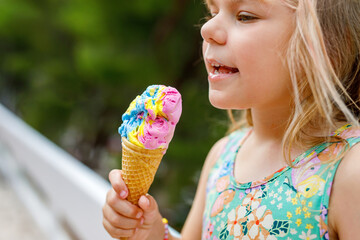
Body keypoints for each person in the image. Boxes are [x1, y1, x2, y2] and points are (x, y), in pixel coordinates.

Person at [102, 0, 360, 239]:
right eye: (212, 12)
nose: (207, 28)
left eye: (245, 16)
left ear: (328, 46)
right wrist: (152, 233)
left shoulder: (349, 171)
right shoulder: (222, 157)